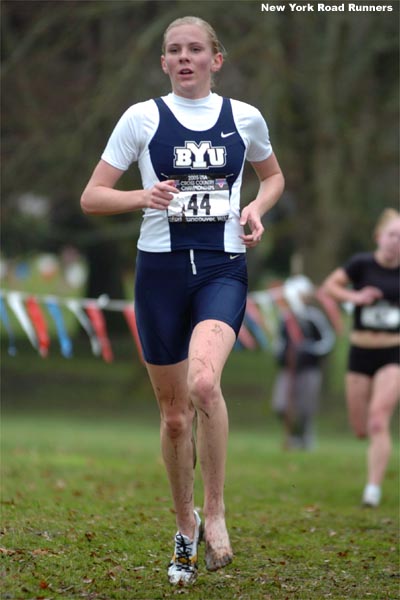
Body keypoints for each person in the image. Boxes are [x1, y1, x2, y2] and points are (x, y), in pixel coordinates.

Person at [81, 16, 284, 585]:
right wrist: (143, 196)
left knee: (202, 385)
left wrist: (256, 209)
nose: (185, 57)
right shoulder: (141, 118)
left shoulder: (245, 118)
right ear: (164, 63)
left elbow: (272, 178)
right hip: (161, 275)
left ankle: (216, 511)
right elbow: (92, 196)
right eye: (174, 51)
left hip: (221, 269)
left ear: (216, 59)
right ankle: (184, 525)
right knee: (173, 418)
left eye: (196, 49)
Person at [322, 209, 400, 507]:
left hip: (393, 352)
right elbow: (330, 286)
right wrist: (356, 297)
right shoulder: (361, 264)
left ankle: (373, 489)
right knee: (360, 428)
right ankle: (369, 449)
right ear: (379, 237)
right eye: (393, 235)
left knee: (379, 420)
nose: (397, 242)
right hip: (360, 351)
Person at [271, 277, 335, 450]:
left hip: (309, 368)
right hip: (288, 368)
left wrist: (309, 351)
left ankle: (305, 439)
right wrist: (282, 354)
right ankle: (292, 435)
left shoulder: (314, 317)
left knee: (305, 407)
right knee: (281, 404)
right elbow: (278, 341)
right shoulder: (285, 318)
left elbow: (327, 340)